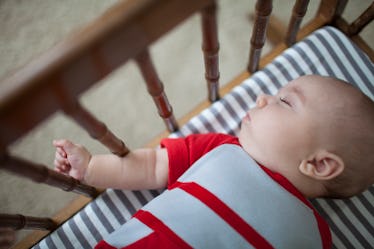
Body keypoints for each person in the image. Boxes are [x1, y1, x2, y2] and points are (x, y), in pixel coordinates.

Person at [53, 75, 374, 248]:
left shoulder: (316, 237)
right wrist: (92, 168)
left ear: (318, 165)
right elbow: (151, 166)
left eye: (285, 101)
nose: (263, 98)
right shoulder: (222, 148)